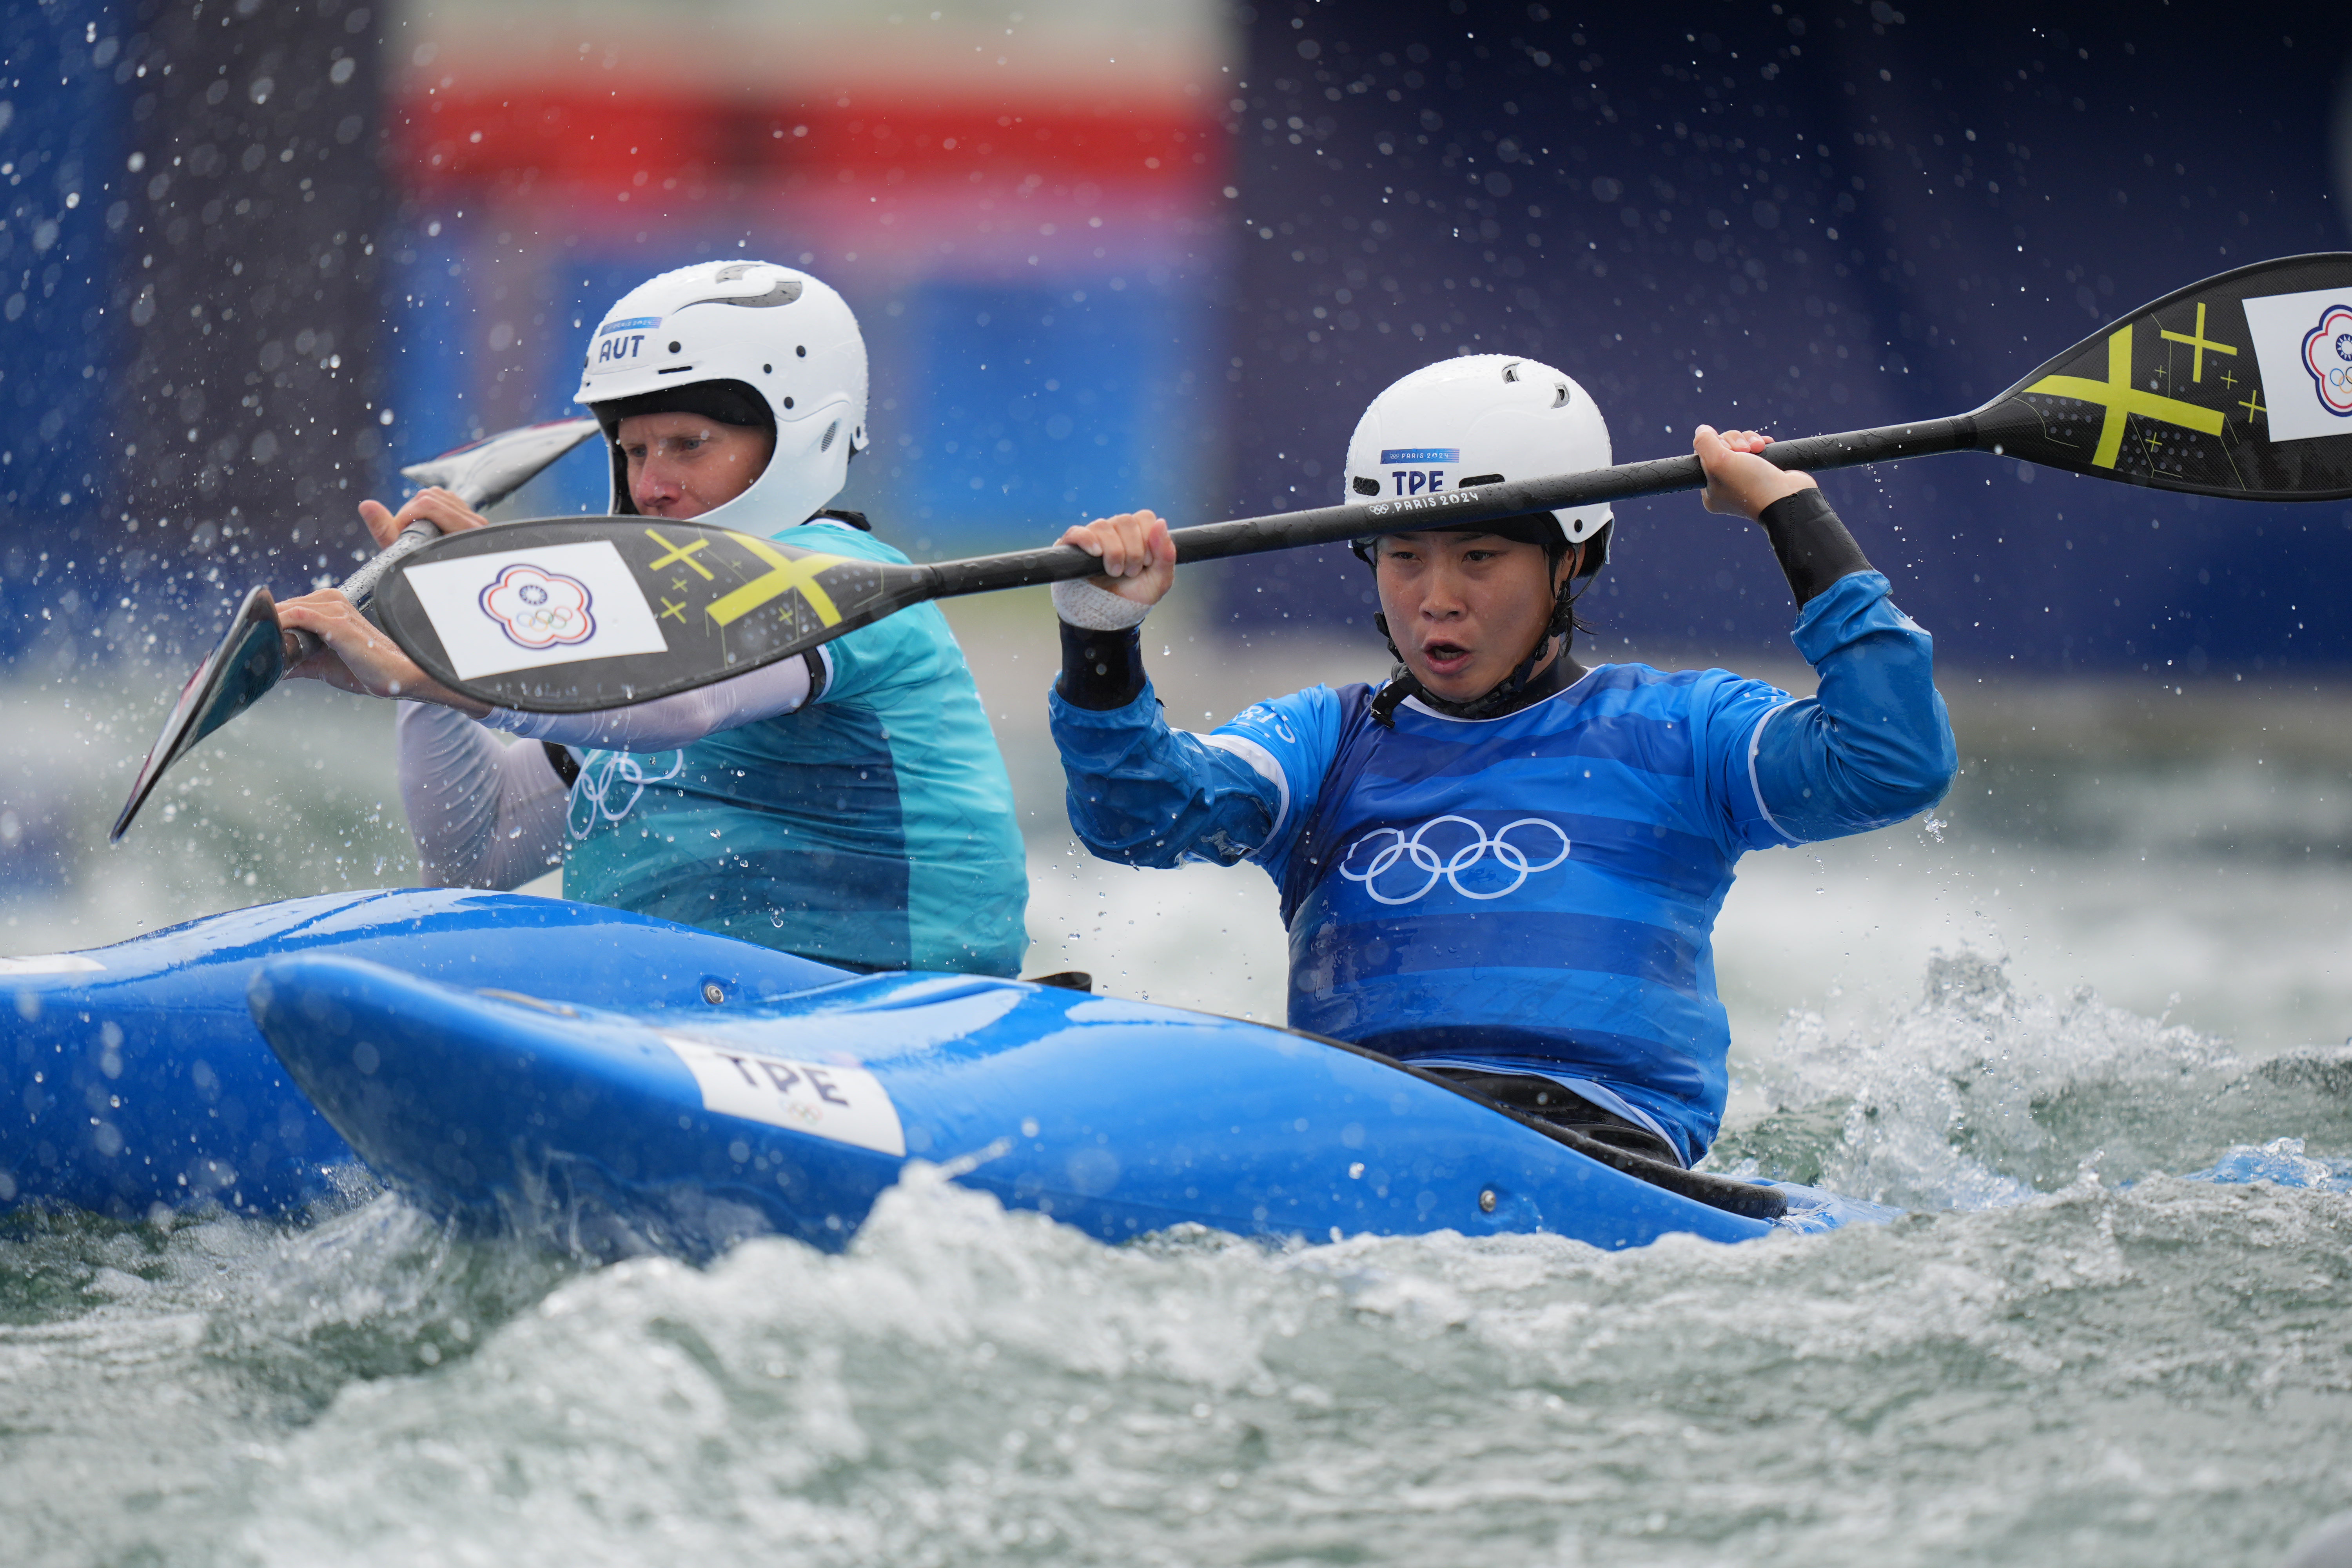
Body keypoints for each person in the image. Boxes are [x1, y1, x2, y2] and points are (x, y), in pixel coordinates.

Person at [1045, 355, 1957, 1167]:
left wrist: (1787, 509)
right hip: (1360, 1135)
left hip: (1605, 1151)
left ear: (1573, 559)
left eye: (1479, 555)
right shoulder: (1321, 742)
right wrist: (1099, 634)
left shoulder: (1684, 731)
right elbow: (1139, 818)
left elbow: (1893, 761)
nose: (1436, 599)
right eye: (1404, 555)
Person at [277, 260, 1028, 976]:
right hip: (693, 1011)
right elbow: (478, 856)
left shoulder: (840, 579)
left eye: (688, 446)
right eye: (634, 451)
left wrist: (461, 662)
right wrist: (435, 647)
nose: (652, 486)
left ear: (799, 436)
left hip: (890, 1012)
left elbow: (691, 700)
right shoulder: (634, 645)